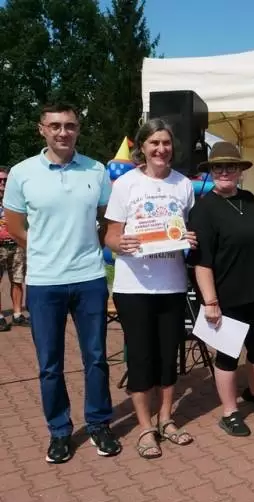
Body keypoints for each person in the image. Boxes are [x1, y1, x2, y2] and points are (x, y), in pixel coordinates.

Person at [2, 102, 120, 463]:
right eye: (55, 126)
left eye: (69, 125)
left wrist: (88, 247)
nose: (63, 132)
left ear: (78, 129)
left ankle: (99, 423)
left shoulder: (96, 170)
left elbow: (107, 220)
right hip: (44, 281)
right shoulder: (22, 173)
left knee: (96, 358)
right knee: (49, 363)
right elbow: (15, 226)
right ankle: (59, 431)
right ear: (42, 129)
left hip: (89, 278)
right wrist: (45, 249)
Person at [104, 119, 198, 458]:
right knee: (141, 357)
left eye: (166, 143)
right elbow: (110, 235)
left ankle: (166, 419)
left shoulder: (183, 184)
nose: (161, 149)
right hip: (133, 287)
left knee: (168, 357)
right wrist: (120, 243)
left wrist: (189, 238)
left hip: (171, 284)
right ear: (142, 147)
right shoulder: (125, 184)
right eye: (154, 143)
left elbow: (186, 229)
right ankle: (145, 427)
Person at [187, 142, 254, 438]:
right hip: (226, 295)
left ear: (240, 171)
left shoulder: (249, 199)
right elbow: (202, 262)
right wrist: (210, 302)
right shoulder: (204, 209)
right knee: (228, 355)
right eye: (218, 167)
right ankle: (229, 413)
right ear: (211, 171)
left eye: (231, 166)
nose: (224, 171)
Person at [0, 165, 29, 331]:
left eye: (5, 180)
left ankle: (17, 314)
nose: (2, 183)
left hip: (16, 245)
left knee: (17, 280)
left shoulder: (15, 198)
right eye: (0, 180)